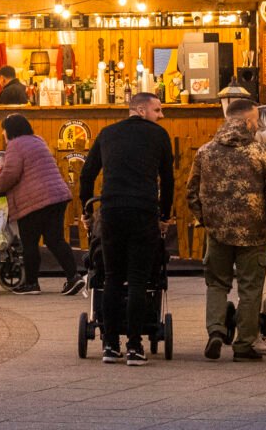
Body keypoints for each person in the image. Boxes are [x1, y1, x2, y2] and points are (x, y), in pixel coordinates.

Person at [79, 92, 175, 365]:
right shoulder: (159, 136)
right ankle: (134, 346)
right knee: (138, 281)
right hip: (143, 212)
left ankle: (110, 345)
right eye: (158, 110)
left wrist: (87, 211)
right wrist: (164, 215)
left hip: (110, 211)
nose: (162, 115)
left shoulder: (107, 134)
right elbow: (167, 179)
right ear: (142, 110)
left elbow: (87, 174)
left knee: (111, 278)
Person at [187, 97, 266, 361]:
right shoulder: (262, 154)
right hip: (254, 233)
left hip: (217, 233)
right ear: (246, 121)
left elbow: (191, 193)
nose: (256, 125)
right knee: (250, 288)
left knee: (217, 283)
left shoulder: (205, 151)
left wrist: (206, 220)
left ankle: (216, 332)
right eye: (254, 120)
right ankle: (243, 344)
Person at [0, 113, 80, 296]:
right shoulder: (37, 141)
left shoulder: (15, 145)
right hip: (56, 196)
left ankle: (31, 284)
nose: (3, 134)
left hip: (35, 200)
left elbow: (11, 174)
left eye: (4, 130)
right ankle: (74, 277)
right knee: (55, 239)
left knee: (30, 242)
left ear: (10, 130)